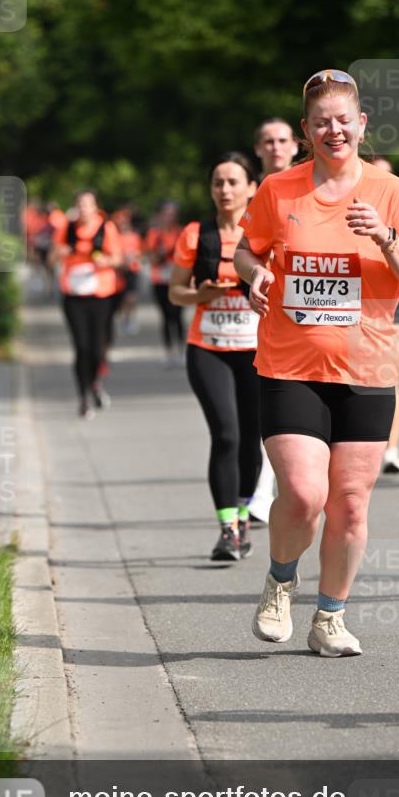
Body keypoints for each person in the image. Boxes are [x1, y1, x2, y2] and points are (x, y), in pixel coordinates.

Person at [234, 68, 399, 656]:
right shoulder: (278, 189)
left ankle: (329, 617)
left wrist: (387, 238)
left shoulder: (388, 192)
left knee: (350, 503)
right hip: (290, 365)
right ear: (305, 130)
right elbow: (246, 251)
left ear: (362, 124)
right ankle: (279, 580)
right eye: (322, 121)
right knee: (302, 492)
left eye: (344, 119)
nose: (334, 130)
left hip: (367, 370)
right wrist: (256, 273)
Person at [169, 153, 261, 560]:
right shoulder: (195, 234)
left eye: (233, 182)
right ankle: (227, 529)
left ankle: (242, 515)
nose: (225, 190)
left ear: (251, 188)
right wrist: (199, 295)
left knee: (250, 439)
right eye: (218, 183)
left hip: (258, 350)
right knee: (225, 433)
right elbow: (175, 291)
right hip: (209, 348)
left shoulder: (263, 232)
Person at [248, 119, 300, 525]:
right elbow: (240, 249)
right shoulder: (253, 191)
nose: (276, 147)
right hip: (256, 309)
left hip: (306, 322)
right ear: (257, 148)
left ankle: (279, 488)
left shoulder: (315, 187)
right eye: (268, 141)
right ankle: (264, 487)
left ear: (296, 145)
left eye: (283, 140)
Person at [51, 189, 122, 417]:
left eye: (88, 205)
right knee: (81, 347)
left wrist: (104, 260)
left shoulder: (106, 228)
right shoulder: (66, 228)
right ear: (75, 208)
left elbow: (118, 259)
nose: (84, 209)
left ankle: (95, 383)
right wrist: (60, 253)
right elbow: (51, 257)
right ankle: (83, 397)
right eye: (80, 205)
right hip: (74, 295)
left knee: (97, 347)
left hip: (100, 294)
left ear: (95, 207)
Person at [370, 157, 399, 474]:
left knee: (389, 374)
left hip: (397, 300)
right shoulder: (351, 212)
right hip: (357, 302)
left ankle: (391, 449)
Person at [145, 201, 185, 366]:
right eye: (166, 213)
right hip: (160, 279)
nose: (169, 216)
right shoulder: (155, 234)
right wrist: (160, 255)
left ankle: (181, 350)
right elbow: (149, 256)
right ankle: (169, 351)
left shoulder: (181, 232)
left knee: (177, 315)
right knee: (166, 316)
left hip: (178, 278)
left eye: (172, 213)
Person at [112, 207, 143, 335]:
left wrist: (135, 256)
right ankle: (123, 318)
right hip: (119, 270)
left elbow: (141, 252)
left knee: (132, 297)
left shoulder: (135, 236)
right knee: (122, 298)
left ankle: (131, 318)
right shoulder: (114, 236)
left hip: (132, 269)